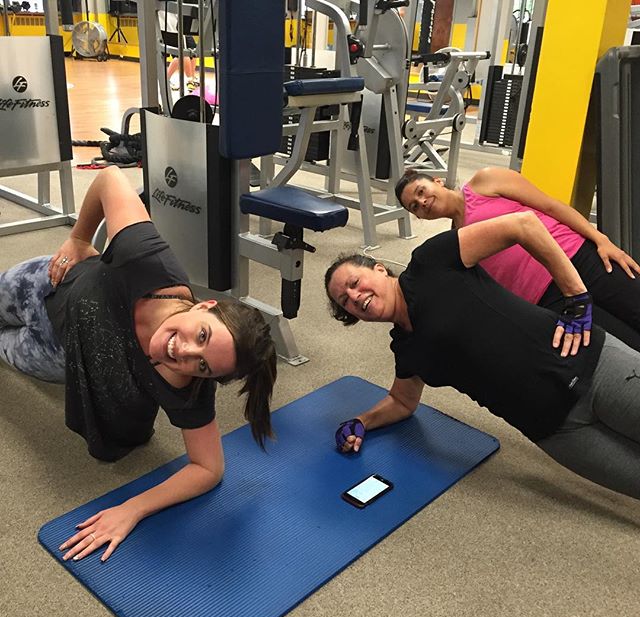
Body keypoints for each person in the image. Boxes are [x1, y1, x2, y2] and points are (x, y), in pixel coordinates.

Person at [0, 167, 277, 561]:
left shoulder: (186, 385)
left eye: (201, 366)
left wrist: (133, 509)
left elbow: (208, 468)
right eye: (201, 335)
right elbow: (110, 177)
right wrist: (79, 237)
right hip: (48, 283)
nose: (183, 353)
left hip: (53, 355)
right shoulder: (149, 261)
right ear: (205, 305)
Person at [325, 211, 640, 500]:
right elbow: (403, 402)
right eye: (345, 301)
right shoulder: (405, 349)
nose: (354, 297)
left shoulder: (429, 264)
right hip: (557, 432)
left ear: (379, 269)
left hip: (591, 367)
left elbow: (523, 225)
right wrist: (361, 422)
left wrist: (577, 297)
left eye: (354, 283)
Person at [395, 167, 640, 352]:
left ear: (437, 181)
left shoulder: (484, 181)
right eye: (414, 206)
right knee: (625, 348)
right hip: (550, 298)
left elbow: (550, 206)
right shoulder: (457, 242)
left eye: (421, 191)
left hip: (577, 256)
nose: (423, 202)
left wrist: (601, 240)